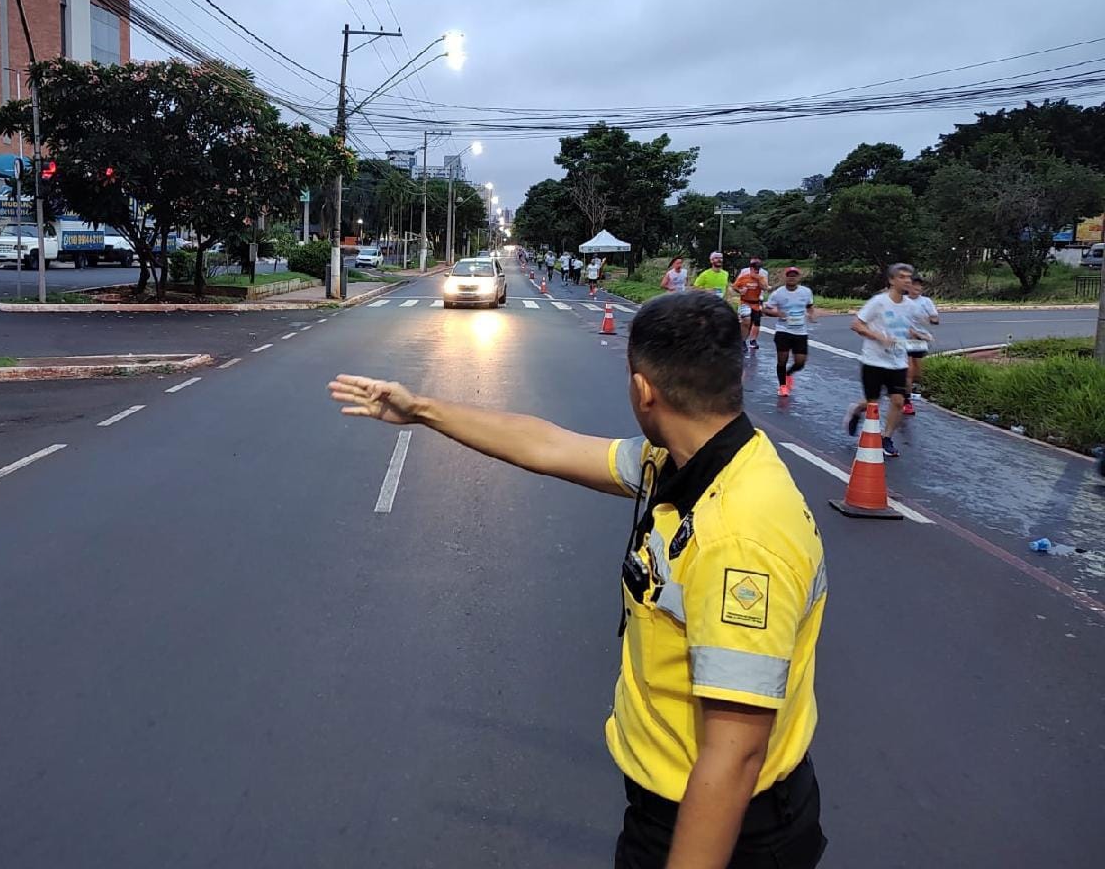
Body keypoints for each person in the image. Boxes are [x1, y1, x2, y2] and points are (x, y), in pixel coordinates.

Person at [329, 291, 828, 869]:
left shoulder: (738, 535)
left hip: (722, 823)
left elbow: (736, 754)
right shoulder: (688, 459)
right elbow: (549, 445)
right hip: (677, 799)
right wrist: (420, 411)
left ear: (644, 389)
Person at [847, 263, 931, 458]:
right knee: (872, 403)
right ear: (892, 280)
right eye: (902, 277)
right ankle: (856, 411)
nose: (907, 280)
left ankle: (886, 437)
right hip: (874, 360)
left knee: (898, 401)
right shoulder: (879, 302)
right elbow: (857, 324)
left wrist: (920, 335)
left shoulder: (910, 306)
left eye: (909, 277)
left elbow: (905, 328)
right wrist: (878, 336)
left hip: (898, 362)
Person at [763, 267, 816, 397]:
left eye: (794, 275)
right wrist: (777, 313)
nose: (792, 277)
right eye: (789, 275)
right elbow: (766, 309)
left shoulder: (806, 292)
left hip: (800, 331)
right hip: (783, 331)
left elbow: (809, 307)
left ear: (798, 277)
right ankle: (782, 386)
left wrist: (811, 315)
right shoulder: (778, 293)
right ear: (785, 277)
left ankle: (788, 374)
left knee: (800, 362)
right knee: (782, 360)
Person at [902, 275, 940, 415]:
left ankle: (906, 388)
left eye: (919, 286)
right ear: (908, 287)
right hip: (904, 338)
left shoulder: (926, 301)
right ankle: (906, 401)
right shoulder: (902, 301)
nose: (917, 288)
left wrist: (930, 319)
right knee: (909, 369)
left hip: (921, 339)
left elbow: (935, 319)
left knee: (917, 372)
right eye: (914, 285)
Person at [732, 258, 770, 351]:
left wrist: (759, 280)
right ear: (751, 268)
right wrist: (740, 291)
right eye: (754, 269)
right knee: (746, 320)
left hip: (756, 303)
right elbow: (734, 286)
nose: (756, 271)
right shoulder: (744, 276)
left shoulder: (761, 277)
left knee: (753, 323)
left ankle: (745, 340)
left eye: (758, 269)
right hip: (745, 302)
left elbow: (765, 288)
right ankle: (742, 342)